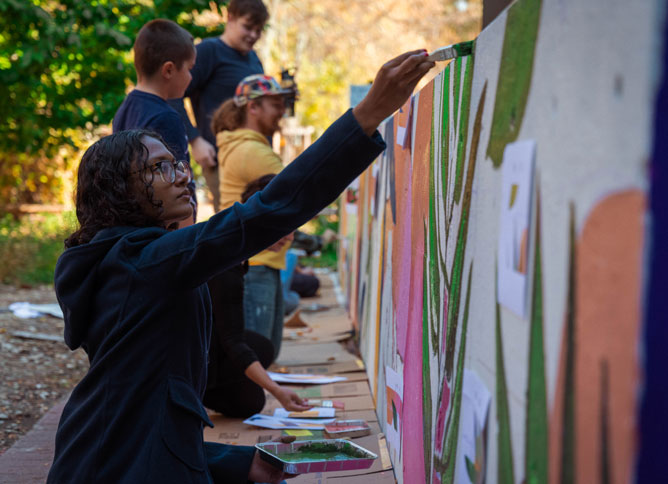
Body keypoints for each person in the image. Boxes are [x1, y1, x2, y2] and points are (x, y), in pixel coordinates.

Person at [46, 50, 434, 483]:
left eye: (177, 163)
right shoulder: (147, 262)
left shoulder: (130, 261)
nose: (180, 176)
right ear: (118, 191)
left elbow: (148, 427)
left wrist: (240, 462)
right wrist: (367, 115)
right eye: (158, 168)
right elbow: (266, 211)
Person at [211, 74, 295, 359]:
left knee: (260, 353)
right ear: (253, 107)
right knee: (258, 355)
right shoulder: (253, 151)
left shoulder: (242, 146)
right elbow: (297, 197)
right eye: (276, 103)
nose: (282, 110)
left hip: (254, 259)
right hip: (255, 262)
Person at [170, 0, 269, 211]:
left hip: (255, 155)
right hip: (221, 159)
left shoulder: (254, 60)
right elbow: (173, 95)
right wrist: (195, 140)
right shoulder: (209, 51)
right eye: (248, 27)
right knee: (231, 224)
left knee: (260, 221)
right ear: (230, 18)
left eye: (258, 30)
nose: (253, 35)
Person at [113, 19, 198, 224]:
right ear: (168, 70)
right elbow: (176, 186)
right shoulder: (166, 118)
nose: (191, 77)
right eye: (189, 69)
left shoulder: (124, 110)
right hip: (169, 232)